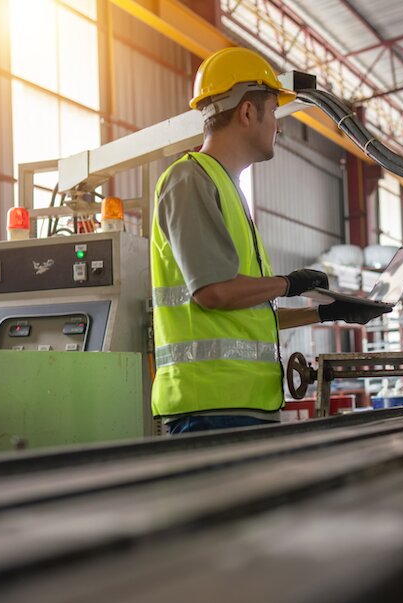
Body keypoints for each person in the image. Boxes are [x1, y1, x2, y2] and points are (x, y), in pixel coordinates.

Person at [151, 46, 390, 434]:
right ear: (247, 112)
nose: (278, 126)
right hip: (211, 408)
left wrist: (327, 312)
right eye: (274, 112)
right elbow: (213, 293)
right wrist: (290, 284)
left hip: (242, 404)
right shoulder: (190, 179)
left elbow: (247, 317)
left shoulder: (228, 190)